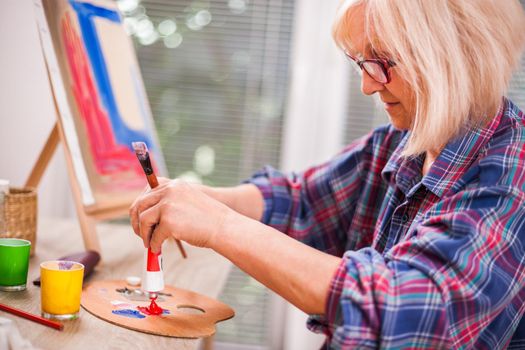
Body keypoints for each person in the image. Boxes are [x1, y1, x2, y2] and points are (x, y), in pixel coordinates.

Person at [130, 0, 525, 348]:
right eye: (360, 62)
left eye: (382, 61)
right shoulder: (407, 138)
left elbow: (397, 308)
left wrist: (218, 225)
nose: (367, 85)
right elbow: (302, 200)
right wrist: (199, 200)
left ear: (455, 56)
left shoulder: (511, 176)